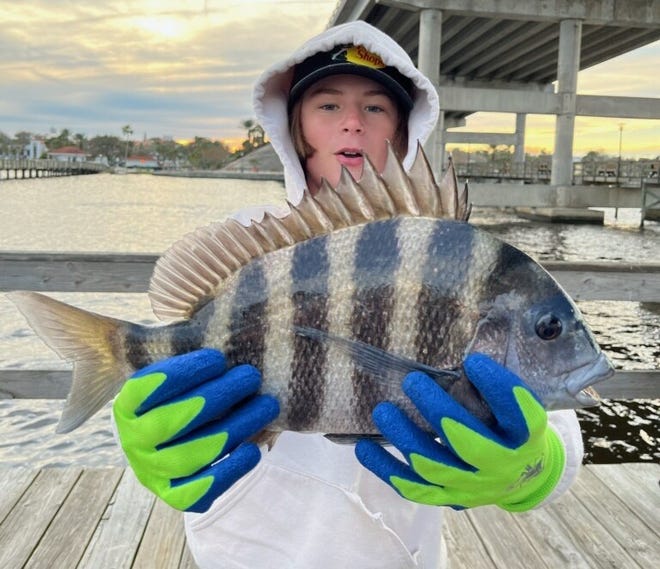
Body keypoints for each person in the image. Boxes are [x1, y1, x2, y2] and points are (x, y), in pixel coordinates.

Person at [112, 21, 584, 568]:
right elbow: (181, 374)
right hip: (245, 546)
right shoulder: (249, 246)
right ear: (296, 128)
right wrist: (151, 441)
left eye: (377, 108)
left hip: (401, 552)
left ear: (406, 132)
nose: (353, 124)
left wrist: (535, 466)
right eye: (328, 106)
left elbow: (555, 422)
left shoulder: (463, 254)